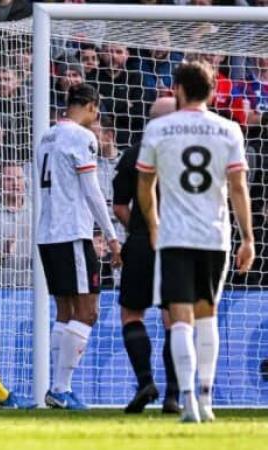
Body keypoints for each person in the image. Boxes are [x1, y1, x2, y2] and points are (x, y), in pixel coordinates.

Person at [136, 61, 254, 423]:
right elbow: (237, 187)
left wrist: (154, 226)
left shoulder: (159, 128)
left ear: (177, 90)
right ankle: (205, 398)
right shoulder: (229, 129)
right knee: (208, 315)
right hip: (214, 236)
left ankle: (187, 399)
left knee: (180, 318)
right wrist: (248, 237)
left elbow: (145, 185)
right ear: (213, 92)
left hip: (175, 236)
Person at [36, 83, 121, 411]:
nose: (96, 118)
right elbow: (92, 191)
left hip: (48, 233)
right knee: (88, 312)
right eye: (97, 111)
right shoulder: (82, 137)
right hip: (72, 232)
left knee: (66, 312)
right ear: (90, 106)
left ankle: (57, 389)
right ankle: (60, 387)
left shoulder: (47, 136)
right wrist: (112, 237)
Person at [113, 96, 180, 415]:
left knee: (131, 314)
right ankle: (173, 395)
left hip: (141, 241)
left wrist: (139, 227)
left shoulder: (132, 154)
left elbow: (119, 205)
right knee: (175, 320)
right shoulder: (188, 152)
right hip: (178, 242)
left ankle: (145, 382)